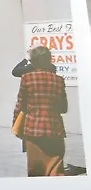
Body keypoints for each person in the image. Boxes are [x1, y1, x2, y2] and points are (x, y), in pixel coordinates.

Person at [13, 46, 68, 177]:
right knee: (56, 171)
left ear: (33, 61)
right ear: (49, 59)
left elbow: (20, 105)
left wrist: (15, 123)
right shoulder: (59, 80)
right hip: (55, 129)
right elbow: (64, 108)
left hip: (33, 129)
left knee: (36, 171)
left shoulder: (27, 78)